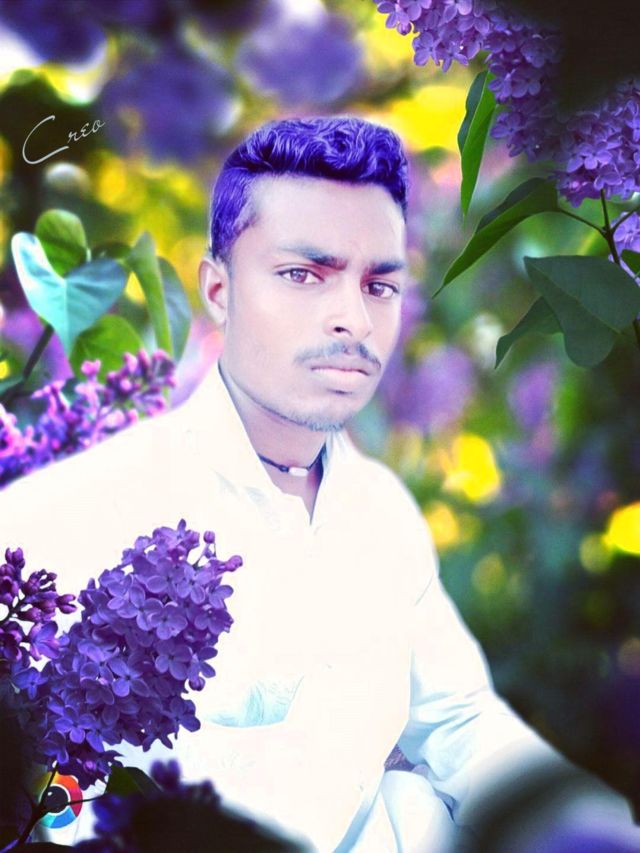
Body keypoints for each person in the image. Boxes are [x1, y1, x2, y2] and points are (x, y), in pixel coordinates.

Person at [0, 116, 633, 851]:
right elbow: (51, 806)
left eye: (379, 284)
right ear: (219, 289)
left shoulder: (381, 515)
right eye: (304, 275)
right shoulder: (63, 515)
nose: (352, 319)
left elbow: (463, 724)